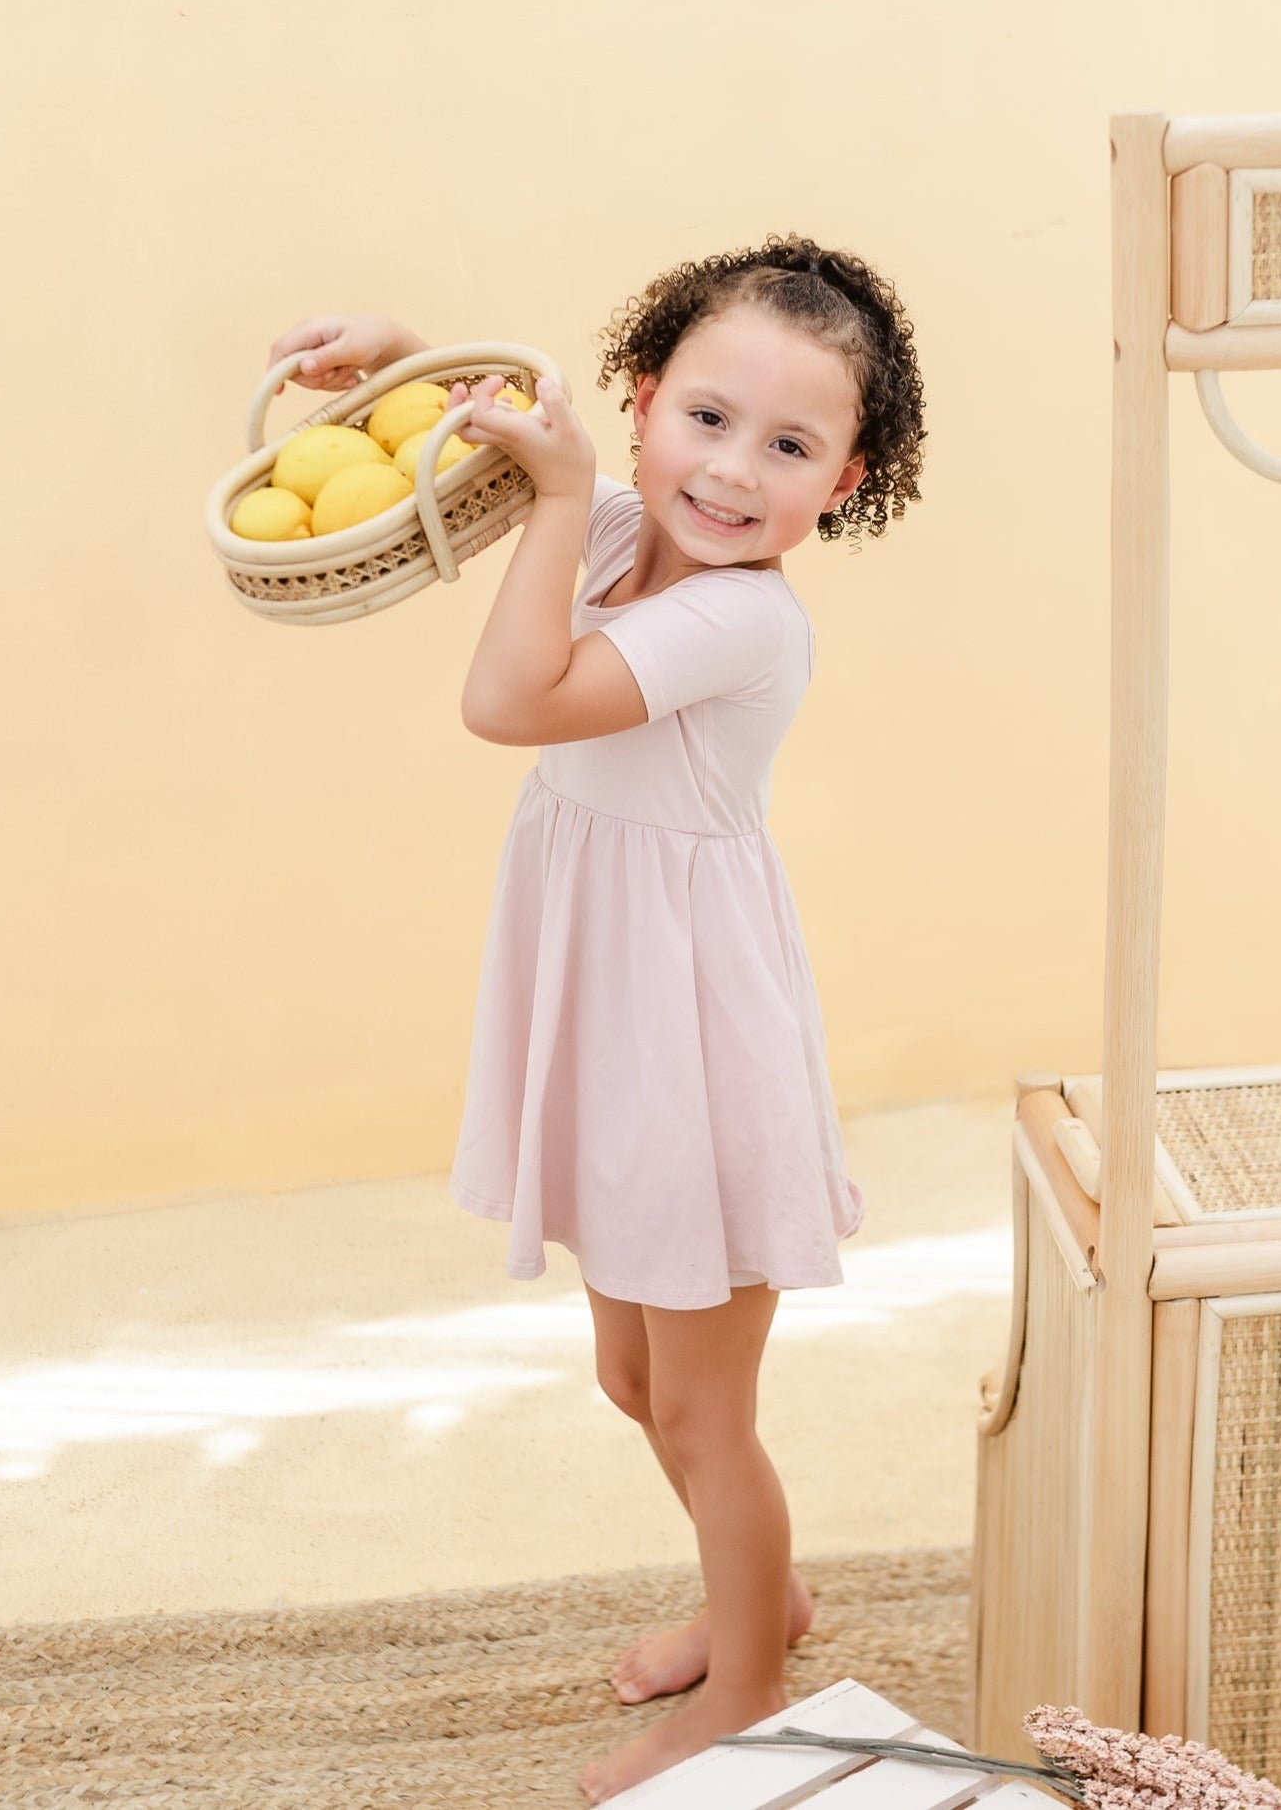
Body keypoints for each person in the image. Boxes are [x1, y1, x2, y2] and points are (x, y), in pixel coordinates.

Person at [267, 236, 926, 1803]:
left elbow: (513, 702)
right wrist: (404, 366)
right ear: (640, 404)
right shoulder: (626, 515)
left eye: (789, 446)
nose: (732, 470)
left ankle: (755, 1681)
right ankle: (755, 1587)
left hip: (694, 1046)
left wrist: (565, 501)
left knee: (703, 1409)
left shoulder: (741, 619)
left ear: (840, 484)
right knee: (636, 1382)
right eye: (706, 417)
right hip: (613, 1009)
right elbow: (503, 445)